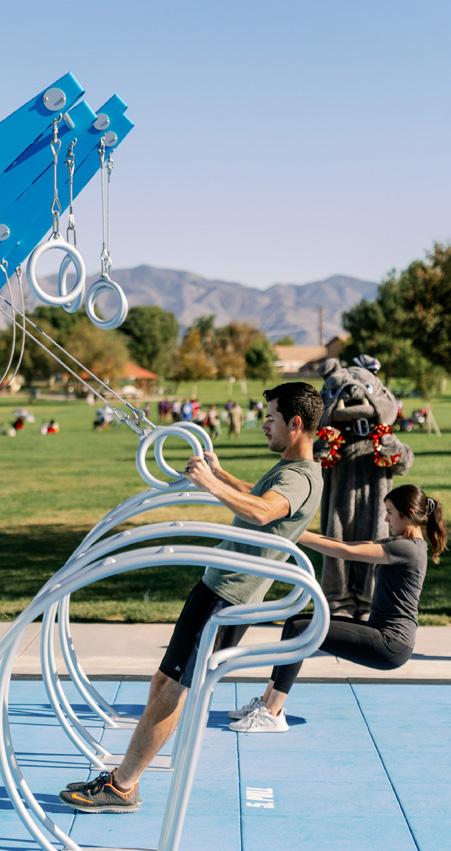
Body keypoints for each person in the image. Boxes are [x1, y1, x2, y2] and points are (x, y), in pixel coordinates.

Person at [59, 381, 324, 813]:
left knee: (174, 690)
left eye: (271, 418)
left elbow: (263, 511)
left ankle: (123, 786)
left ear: (295, 424)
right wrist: (220, 474)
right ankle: (124, 777)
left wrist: (207, 483)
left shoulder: (299, 477)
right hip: (215, 587)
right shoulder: (290, 471)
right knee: (164, 682)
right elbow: (259, 496)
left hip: (228, 598)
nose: (264, 425)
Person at [229, 484, 447, 733]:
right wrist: (295, 529)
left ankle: (273, 713)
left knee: (302, 630)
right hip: (381, 633)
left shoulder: (407, 548)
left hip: (390, 644)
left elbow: (346, 552)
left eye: (390, 512)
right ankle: (267, 702)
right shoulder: (404, 544)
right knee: (294, 625)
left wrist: (292, 532)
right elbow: (343, 544)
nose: (386, 519)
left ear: (407, 513)